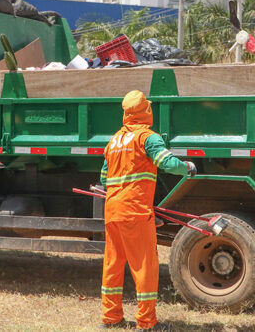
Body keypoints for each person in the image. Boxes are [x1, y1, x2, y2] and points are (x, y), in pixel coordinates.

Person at [98, 90, 196, 330]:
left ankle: (111, 318)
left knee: (113, 264)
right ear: (146, 111)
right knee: (144, 266)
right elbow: (168, 164)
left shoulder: (114, 141)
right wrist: (188, 167)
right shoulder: (147, 138)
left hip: (112, 211)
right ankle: (146, 322)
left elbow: (103, 178)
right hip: (135, 211)